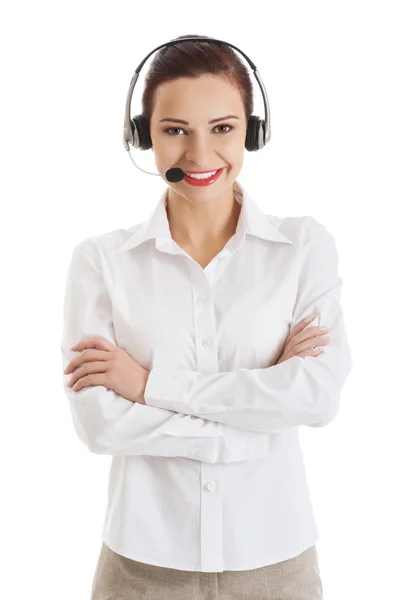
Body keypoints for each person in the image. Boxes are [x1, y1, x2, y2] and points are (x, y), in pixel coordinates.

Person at [61, 34, 352, 600]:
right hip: (140, 565)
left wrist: (149, 386)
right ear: (143, 136)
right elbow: (99, 424)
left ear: (252, 132)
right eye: (175, 131)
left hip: (276, 562)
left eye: (222, 128)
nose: (199, 155)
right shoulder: (100, 261)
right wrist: (254, 414)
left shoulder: (302, 248)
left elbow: (315, 398)